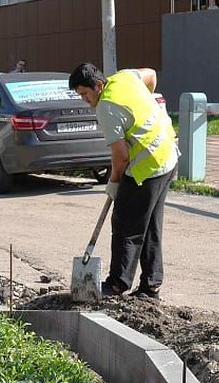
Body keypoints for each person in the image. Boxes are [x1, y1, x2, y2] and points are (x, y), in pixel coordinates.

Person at [69, 62, 178, 299]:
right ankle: (151, 285)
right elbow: (150, 75)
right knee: (149, 225)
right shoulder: (125, 77)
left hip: (147, 167)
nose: (84, 100)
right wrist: (144, 105)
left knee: (126, 225)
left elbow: (121, 157)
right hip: (167, 156)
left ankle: (117, 284)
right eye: (80, 95)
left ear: (98, 85)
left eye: (85, 94)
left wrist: (114, 183)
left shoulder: (106, 107)